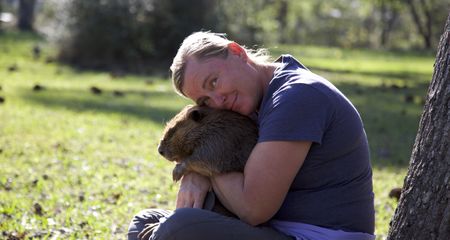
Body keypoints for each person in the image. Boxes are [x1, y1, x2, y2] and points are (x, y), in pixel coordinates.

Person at [128, 31, 375, 240]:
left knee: (176, 228)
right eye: (204, 101)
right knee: (145, 223)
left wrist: (199, 169)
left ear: (237, 52)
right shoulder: (253, 101)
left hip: (316, 235)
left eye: (213, 82)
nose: (218, 101)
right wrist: (196, 171)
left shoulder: (297, 96)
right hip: (279, 230)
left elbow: (253, 209)